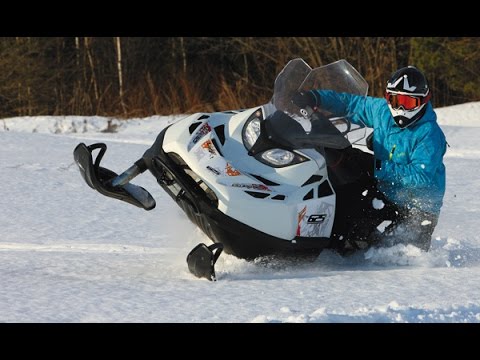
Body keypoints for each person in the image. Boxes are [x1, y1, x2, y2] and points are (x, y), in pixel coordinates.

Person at [292, 66, 447, 252]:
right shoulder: (383, 112)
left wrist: (377, 166)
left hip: (415, 208)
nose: (399, 108)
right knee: (344, 194)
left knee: (387, 254)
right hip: (384, 189)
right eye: (395, 99)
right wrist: (316, 97)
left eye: (408, 102)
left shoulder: (429, 134)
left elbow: (421, 176)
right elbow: (351, 104)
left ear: (423, 101)